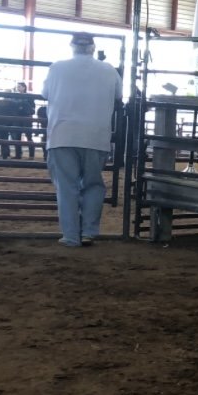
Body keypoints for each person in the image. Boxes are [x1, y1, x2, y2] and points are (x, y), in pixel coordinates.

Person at [41, 32, 123, 247]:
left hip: (62, 135)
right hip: (96, 136)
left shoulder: (57, 68)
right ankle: (88, 232)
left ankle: (70, 236)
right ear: (93, 48)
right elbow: (118, 96)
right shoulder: (109, 70)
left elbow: (45, 93)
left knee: (66, 187)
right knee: (93, 184)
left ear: (72, 46)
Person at [8, 80, 37, 159]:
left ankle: (31, 155)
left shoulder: (27, 97)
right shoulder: (16, 96)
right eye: (17, 87)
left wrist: (21, 106)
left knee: (28, 136)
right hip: (19, 118)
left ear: (24, 87)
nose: (18, 88)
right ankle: (19, 154)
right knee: (17, 136)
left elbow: (32, 108)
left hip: (25, 118)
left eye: (19, 87)